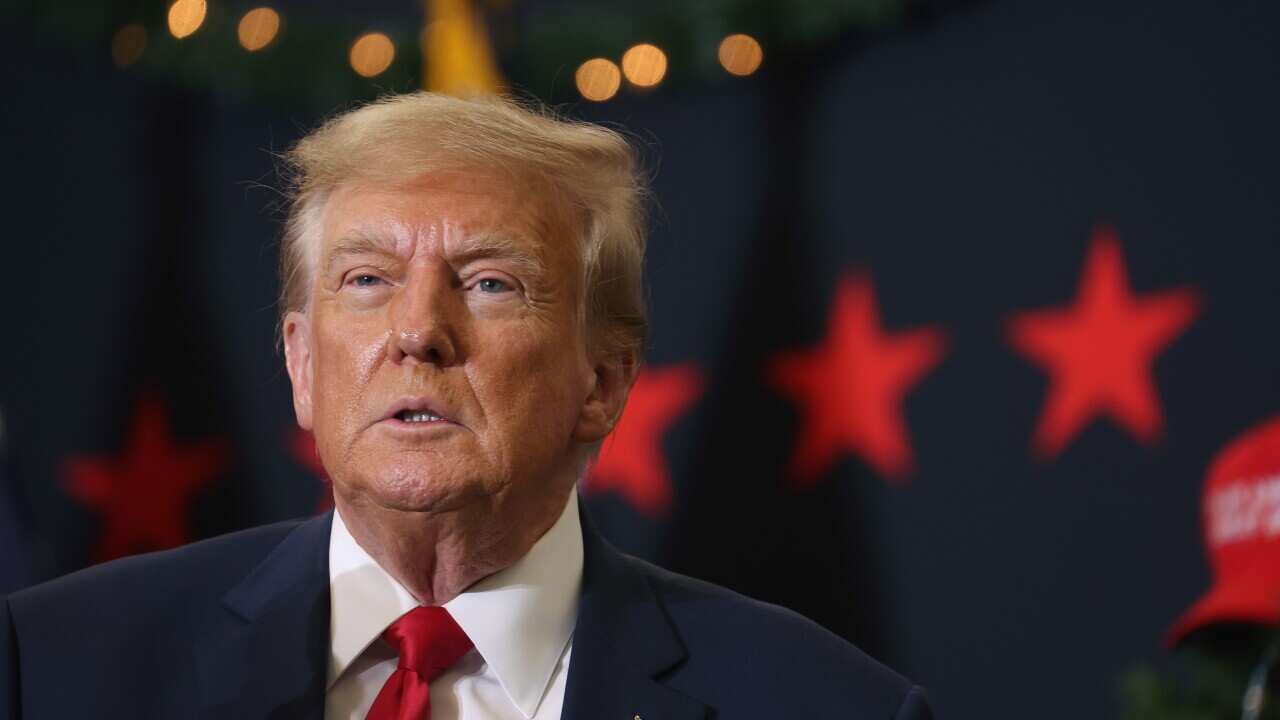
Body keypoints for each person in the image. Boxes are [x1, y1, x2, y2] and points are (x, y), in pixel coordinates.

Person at [0, 92, 933, 719]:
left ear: (603, 380)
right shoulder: (51, 668)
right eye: (366, 279)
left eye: (489, 284)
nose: (418, 332)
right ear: (300, 365)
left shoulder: (828, 704)